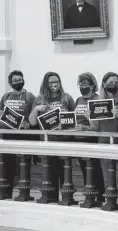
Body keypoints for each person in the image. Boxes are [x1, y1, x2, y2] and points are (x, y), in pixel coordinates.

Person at [28, 72, 75, 200]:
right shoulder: (39, 99)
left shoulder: (66, 97)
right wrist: (36, 109)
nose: (54, 84)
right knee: (49, 174)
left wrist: (65, 124)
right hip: (47, 143)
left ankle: (67, 199)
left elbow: (74, 118)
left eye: (57, 82)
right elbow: (32, 122)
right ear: (46, 84)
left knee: (65, 174)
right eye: (51, 82)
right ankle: (51, 198)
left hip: (65, 142)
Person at [87, 72, 118, 207]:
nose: (113, 85)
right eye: (110, 83)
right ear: (104, 84)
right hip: (104, 142)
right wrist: (89, 117)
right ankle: (110, 202)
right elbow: (95, 127)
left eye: (116, 83)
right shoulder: (97, 103)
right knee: (107, 175)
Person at [0, 70, 37, 199]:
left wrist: (28, 124)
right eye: (15, 81)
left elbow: (34, 117)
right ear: (10, 83)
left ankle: (24, 193)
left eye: (20, 80)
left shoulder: (29, 96)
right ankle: (5, 192)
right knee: (7, 167)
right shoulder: (5, 97)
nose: (18, 82)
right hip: (8, 137)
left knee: (24, 166)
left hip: (24, 137)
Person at [73, 72, 105, 202]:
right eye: (80, 85)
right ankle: (89, 195)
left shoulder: (98, 100)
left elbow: (97, 126)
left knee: (96, 170)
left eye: (85, 85)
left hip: (93, 140)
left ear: (92, 85)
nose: (82, 87)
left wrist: (87, 122)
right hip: (80, 140)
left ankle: (100, 196)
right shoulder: (79, 100)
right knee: (84, 170)